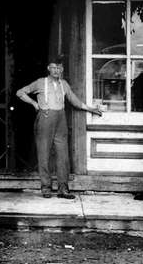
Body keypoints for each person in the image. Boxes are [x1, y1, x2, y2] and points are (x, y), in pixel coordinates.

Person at [16, 60, 102, 199]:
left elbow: (74, 100)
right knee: (44, 153)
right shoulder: (40, 82)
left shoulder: (64, 84)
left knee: (63, 155)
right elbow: (20, 92)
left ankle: (63, 189)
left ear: (62, 70)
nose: (57, 70)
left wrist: (91, 109)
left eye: (59, 68)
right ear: (48, 68)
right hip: (46, 117)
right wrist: (34, 104)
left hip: (61, 118)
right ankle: (46, 188)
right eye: (54, 67)